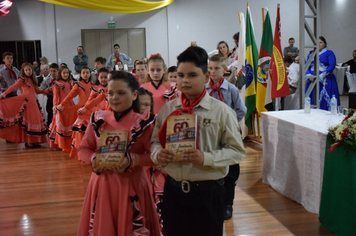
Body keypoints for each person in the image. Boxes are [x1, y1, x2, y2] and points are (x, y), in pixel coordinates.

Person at [150, 46, 246, 236]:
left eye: (192, 75)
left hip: (209, 194)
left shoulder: (221, 111)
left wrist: (206, 158)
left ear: (205, 76)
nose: (184, 80)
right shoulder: (167, 110)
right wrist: (158, 154)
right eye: (180, 75)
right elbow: (154, 143)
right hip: (173, 192)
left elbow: (237, 151)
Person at [77, 71, 161, 236]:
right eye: (111, 93)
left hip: (132, 186)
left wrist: (133, 159)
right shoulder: (98, 119)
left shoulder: (144, 122)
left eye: (121, 93)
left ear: (134, 94)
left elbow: (154, 156)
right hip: (102, 186)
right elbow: (83, 149)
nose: (114, 97)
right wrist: (93, 158)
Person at [206, 54, 246, 220]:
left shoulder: (231, 89)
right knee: (212, 168)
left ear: (224, 69)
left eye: (216, 68)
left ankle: (228, 204)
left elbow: (241, 110)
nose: (213, 72)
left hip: (228, 136)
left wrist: (229, 124)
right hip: (210, 136)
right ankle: (213, 203)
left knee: (230, 171)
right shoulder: (204, 90)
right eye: (210, 68)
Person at [0, 62, 49, 147]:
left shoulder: (33, 80)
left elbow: (36, 91)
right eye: (26, 70)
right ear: (23, 71)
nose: (28, 71)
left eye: (29, 69)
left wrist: (45, 91)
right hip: (27, 102)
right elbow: (13, 86)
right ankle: (29, 141)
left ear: (32, 70)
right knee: (30, 120)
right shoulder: (22, 79)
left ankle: (34, 141)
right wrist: (3, 94)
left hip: (33, 101)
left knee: (36, 120)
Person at [73, 68, 110, 159]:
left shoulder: (111, 88)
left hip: (109, 113)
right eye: (102, 77)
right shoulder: (95, 88)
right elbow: (91, 101)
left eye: (106, 77)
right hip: (97, 113)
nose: (104, 79)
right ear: (98, 77)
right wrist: (85, 109)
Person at [54, 66, 93, 153]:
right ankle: (80, 150)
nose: (86, 74)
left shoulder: (93, 85)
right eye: (84, 73)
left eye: (87, 72)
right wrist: (61, 105)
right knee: (81, 131)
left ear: (90, 74)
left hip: (91, 110)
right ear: (80, 74)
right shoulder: (78, 84)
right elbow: (70, 96)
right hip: (81, 111)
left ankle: (90, 149)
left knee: (90, 131)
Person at [305, 36, 340, 111]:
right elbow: (306, 65)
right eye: (317, 43)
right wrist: (309, 75)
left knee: (325, 99)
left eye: (321, 42)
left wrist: (322, 75)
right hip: (312, 79)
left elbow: (332, 65)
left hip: (325, 79)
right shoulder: (311, 53)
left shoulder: (329, 53)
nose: (319, 44)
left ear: (324, 44)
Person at [48, 65, 74, 149]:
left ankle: (68, 143)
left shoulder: (70, 83)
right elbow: (55, 96)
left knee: (69, 123)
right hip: (61, 106)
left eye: (67, 73)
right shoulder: (57, 84)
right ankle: (59, 144)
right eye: (64, 73)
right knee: (60, 125)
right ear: (60, 73)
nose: (65, 74)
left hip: (69, 105)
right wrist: (55, 106)